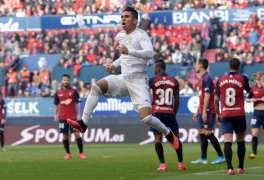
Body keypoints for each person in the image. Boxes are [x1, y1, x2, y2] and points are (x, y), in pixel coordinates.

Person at [67, 6, 180, 151]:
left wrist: (130, 50)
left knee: (146, 118)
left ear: (135, 20)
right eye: (122, 17)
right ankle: (83, 122)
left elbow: (150, 53)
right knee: (97, 86)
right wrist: (114, 65)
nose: (123, 19)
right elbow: (124, 56)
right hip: (123, 77)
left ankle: (168, 133)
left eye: (126, 17)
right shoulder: (121, 36)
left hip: (139, 80)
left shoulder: (141, 35)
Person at [214, 58, 251, 175]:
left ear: (228, 66)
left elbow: (215, 99)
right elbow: (250, 92)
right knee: (240, 141)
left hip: (226, 114)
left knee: (227, 142)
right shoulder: (243, 78)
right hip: (239, 113)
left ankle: (230, 168)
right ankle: (240, 167)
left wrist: (217, 113)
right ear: (239, 67)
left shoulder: (220, 79)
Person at [149, 60, 185, 171]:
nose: (153, 70)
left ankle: (163, 165)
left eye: (154, 68)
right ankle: (180, 163)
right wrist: (174, 113)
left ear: (158, 69)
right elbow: (177, 99)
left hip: (157, 112)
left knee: (157, 139)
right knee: (175, 138)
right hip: (169, 112)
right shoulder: (174, 81)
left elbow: (147, 95)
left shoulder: (152, 80)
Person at [191, 59, 225, 165]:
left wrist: (204, 111)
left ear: (200, 66)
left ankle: (221, 156)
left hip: (208, 111)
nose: (195, 66)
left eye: (196, 64)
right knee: (201, 132)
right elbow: (201, 97)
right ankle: (203, 158)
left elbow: (207, 96)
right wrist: (198, 111)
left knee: (208, 133)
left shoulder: (207, 78)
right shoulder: (202, 78)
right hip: (202, 110)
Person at [53, 74, 86, 159]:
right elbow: (56, 105)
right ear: (61, 81)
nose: (66, 81)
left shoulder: (74, 91)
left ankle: (81, 153)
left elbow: (78, 102)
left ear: (69, 81)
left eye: (67, 80)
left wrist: (79, 114)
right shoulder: (58, 93)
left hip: (73, 117)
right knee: (65, 136)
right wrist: (55, 114)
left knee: (77, 134)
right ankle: (68, 154)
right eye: (64, 80)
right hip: (62, 118)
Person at [246, 72, 264, 159]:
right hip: (256, 113)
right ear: (259, 79)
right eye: (263, 77)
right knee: (254, 133)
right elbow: (247, 99)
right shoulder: (253, 89)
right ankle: (254, 153)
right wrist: (253, 99)